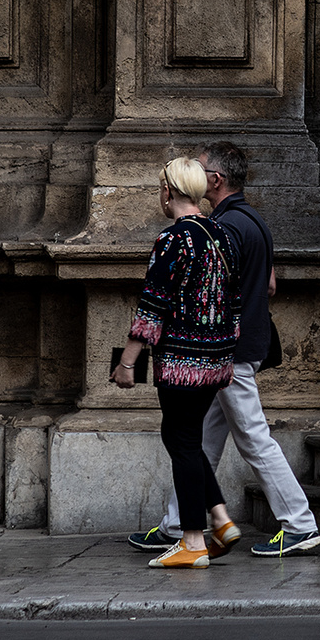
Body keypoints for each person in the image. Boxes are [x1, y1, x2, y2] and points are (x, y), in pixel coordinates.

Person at [128, 142, 320, 559]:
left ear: (213, 180)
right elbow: (269, 284)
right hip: (234, 346)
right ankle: (180, 524)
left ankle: (300, 525)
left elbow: (186, 293)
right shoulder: (247, 219)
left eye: (199, 170)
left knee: (252, 437)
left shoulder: (222, 226)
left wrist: (137, 355)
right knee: (200, 440)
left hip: (223, 351)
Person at [114, 157, 242, 569]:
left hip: (181, 362)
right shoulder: (222, 234)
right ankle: (219, 519)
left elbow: (153, 306)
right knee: (185, 439)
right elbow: (234, 304)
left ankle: (192, 540)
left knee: (182, 442)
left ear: (168, 191)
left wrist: (127, 363)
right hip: (216, 360)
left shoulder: (172, 240)